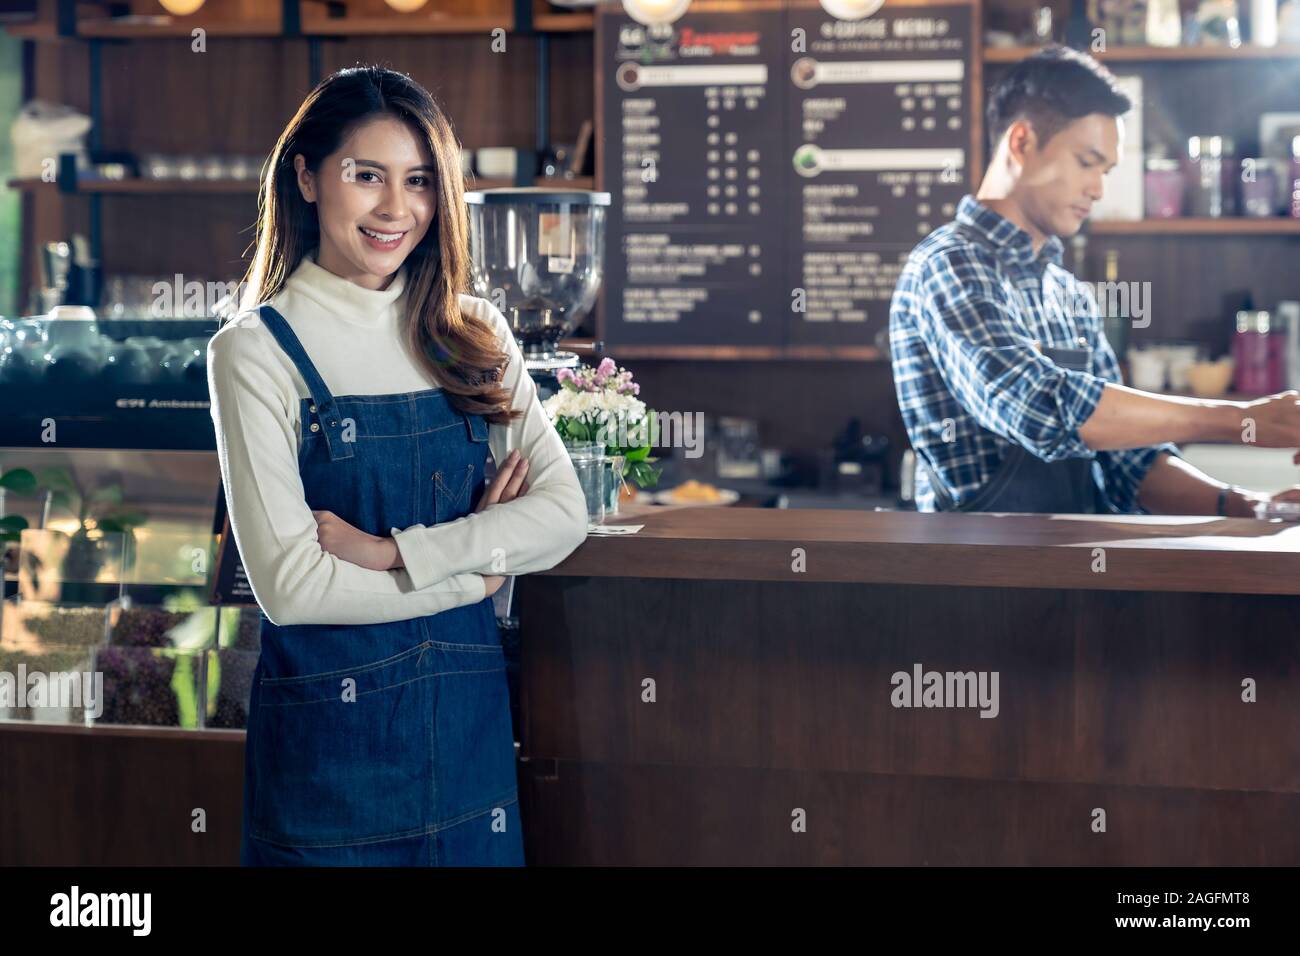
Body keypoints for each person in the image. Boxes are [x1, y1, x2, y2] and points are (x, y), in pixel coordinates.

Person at [206, 66, 589, 865]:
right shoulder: (255, 351)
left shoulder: (469, 333)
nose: (396, 209)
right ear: (307, 177)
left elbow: (561, 515)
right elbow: (294, 589)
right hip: (324, 770)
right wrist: (473, 575)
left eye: (419, 181)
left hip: (466, 753)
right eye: (366, 175)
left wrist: (389, 554)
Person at [890, 46, 1300, 515]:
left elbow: (1131, 463)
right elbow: (1039, 405)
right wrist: (1242, 419)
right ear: (1022, 142)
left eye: (1106, 171)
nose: (1099, 190)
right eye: (1087, 162)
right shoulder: (949, 266)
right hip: (982, 578)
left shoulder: (1066, 293)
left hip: (1077, 575)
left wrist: (1248, 506)